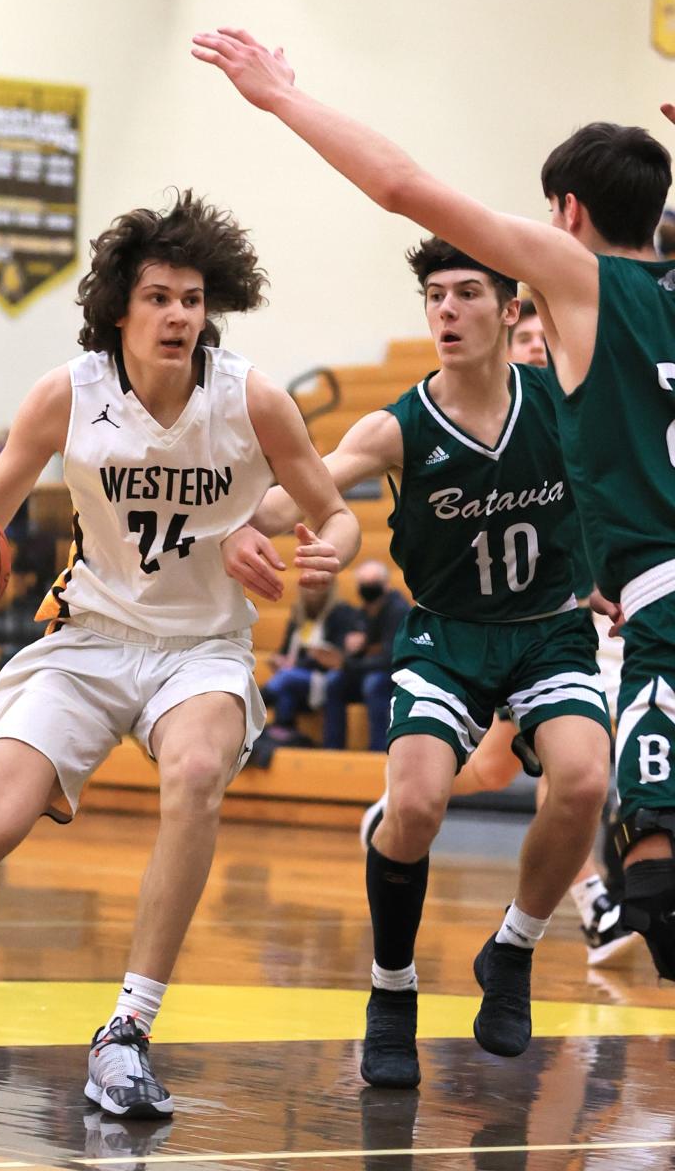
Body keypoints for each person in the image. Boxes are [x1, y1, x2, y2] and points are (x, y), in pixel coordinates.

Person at [0, 191, 360, 1118]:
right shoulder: (66, 395)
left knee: (194, 774)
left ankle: (127, 1031)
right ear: (119, 309)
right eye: (159, 297)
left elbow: (336, 511)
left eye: (193, 298)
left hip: (201, 650)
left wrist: (321, 555)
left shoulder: (252, 399)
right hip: (87, 639)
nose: (180, 314)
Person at [194, 26, 675, 997]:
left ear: (565, 213)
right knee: (551, 811)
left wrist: (283, 98)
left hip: (613, 616)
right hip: (531, 617)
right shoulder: (417, 414)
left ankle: (547, 922)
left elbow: (404, 185)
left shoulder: (578, 292)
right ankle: (512, 930)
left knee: (625, 839)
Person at [220, 236, 612, 1088]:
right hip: (445, 636)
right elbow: (308, 488)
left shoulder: (563, 402)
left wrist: (614, 566)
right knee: (418, 803)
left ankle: (512, 950)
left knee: (583, 782)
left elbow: (617, 484)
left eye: (468, 293)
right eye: (435, 295)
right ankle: (390, 991)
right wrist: (248, 525)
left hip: (549, 628)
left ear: (513, 311)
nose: (446, 310)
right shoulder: (397, 424)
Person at [359, 303, 637, 965]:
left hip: (563, 617)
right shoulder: (455, 419)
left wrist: (599, 583)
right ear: (508, 340)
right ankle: (592, 895)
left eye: (548, 341)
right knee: (536, 762)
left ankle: (403, 804)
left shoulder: (570, 412)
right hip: (480, 624)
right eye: (529, 341)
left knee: (522, 765)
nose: (539, 350)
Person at [322, 560, 409, 751]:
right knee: (334, 681)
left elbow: (390, 659)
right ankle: (332, 748)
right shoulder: (361, 613)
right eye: (363, 584)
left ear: (386, 584)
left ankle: (378, 750)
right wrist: (351, 650)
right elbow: (352, 653)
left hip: (396, 677)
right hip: (366, 672)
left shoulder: (399, 611)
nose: (367, 589)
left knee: (374, 683)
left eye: (372, 583)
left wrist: (348, 663)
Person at [262, 581, 359, 738]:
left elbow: (336, 656)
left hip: (324, 675)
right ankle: (283, 729)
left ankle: (259, 700)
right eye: (307, 585)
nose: (312, 591)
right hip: (297, 678)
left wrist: (297, 663)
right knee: (287, 685)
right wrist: (279, 660)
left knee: (287, 677)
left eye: (317, 585)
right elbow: (285, 650)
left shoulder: (341, 612)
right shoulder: (298, 614)